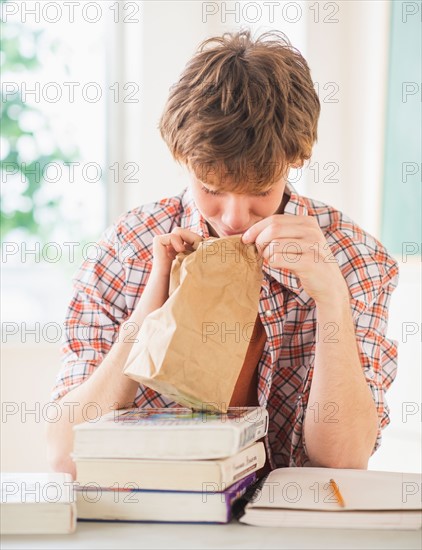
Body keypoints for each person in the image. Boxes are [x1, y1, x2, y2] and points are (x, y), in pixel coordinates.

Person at [46, 30, 399, 479]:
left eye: (259, 191)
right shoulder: (126, 249)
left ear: (295, 160)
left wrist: (332, 301)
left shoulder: (355, 258)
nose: (234, 217)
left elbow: (344, 461)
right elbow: (64, 454)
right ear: (183, 159)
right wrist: (149, 313)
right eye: (211, 189)